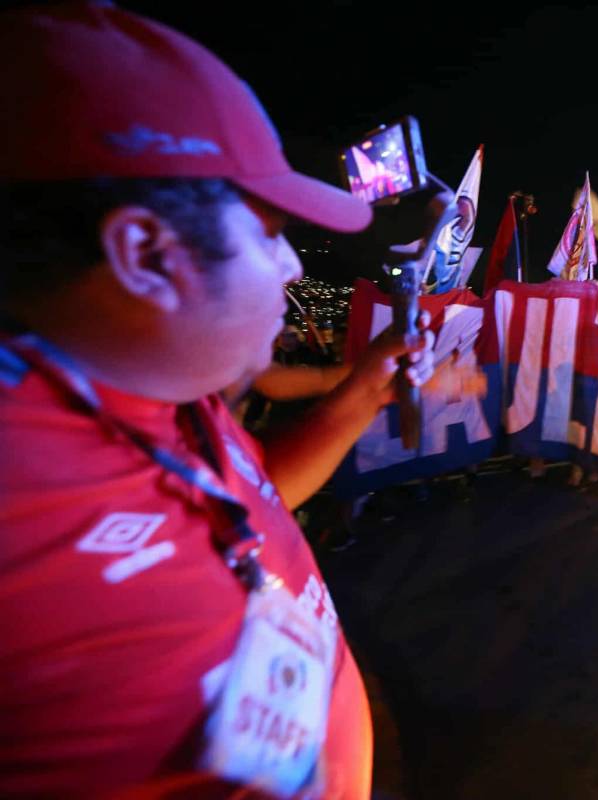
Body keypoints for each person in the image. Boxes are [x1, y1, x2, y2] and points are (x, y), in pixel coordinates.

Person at [0, 4, 435, 796]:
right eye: (271, 234)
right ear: (148, 256)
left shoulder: (169, 387)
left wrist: (366, 388)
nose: (295, 271)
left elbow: (251, 495)